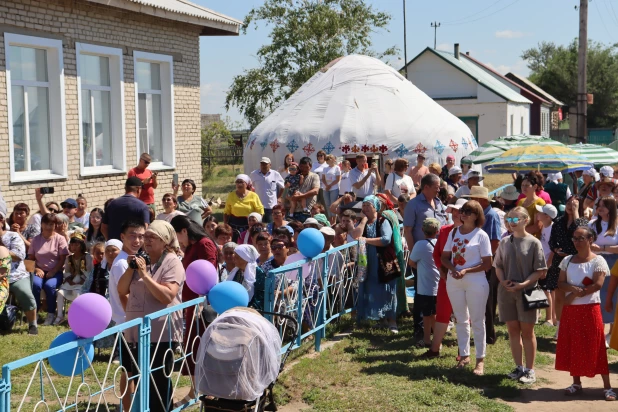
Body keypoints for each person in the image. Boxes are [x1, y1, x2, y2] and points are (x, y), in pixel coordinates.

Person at [118, 220, 185, 412]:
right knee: (141, 380)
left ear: (164, 241)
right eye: (145, 236)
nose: (145, 240)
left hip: (161, 333)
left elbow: (167, 295)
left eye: (151, 237)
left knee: (158, 382)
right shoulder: (142, 259)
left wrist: (145, 276)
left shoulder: (172, 262)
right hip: (137, 332)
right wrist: (132, 269)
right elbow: (122, 290)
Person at [556, 226, 615, 401]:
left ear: (590, 240)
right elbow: (561, 283)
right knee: (574, 344)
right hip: (571, 311)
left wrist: (574, 293)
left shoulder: (599, 261)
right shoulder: (566, 260)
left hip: (590, 309)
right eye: (574, 238)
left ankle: (607, 386)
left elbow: (598, 284)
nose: (576, 242)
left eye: (580, 238)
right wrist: (573, 290)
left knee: (596, 346)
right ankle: (576, 383)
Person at [494, 207, 547, 384]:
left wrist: (523, 284)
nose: (511, 223)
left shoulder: (534, 242)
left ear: (526, 220)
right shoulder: (504, 242)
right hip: (507, 291)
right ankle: (519, 367)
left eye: (515, 219)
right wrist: (503, 282)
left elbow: (539, 271)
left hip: (530, 291)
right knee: (512, 330)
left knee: (528, 331)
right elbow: (498, 266)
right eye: (509, 219)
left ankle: (530, 370)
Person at [441, 200, 492, 375]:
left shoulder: (481, 235)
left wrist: (466, 271)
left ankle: (480, 360)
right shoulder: (454, 232)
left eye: (468, 211)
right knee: (460, 320)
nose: (463, 214)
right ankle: (464, 356)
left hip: (476, 281)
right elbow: (444, 257)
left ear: (477, 215)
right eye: (463, 210)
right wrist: (454, 270)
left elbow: (487, 264)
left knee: (478, 321)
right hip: (454, 280)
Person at [170, 215, 218, 400]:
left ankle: (202, 389)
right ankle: (196, 388)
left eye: (176, 234)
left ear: (184, 231)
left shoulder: (204, 244)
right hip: (191, 304)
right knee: (191, 346)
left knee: (198, 345)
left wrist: (199, 299)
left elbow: (208, 271)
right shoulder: (191, 247)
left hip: (201, 305)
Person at [421, 198, 467, 358]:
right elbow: (437, 254)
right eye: (454, 211)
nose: (455, 214)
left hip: (466, 280)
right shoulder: (445, 231)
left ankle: (463, 353)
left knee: (463, 315)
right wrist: (442, 271)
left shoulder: (474, 232)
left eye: (459, 211)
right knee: (442, 312)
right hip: (446, 279)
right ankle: (435, 349)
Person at [352, 195, 404, 333]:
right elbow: (355, 235)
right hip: (368, 262)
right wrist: (363, 220)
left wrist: (367, 240)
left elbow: (386, 239)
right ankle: (381, 319)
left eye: (368, 205)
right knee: (373, 289)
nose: (365, 208)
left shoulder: (383, 220)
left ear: (376, 207)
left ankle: (392, 321)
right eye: (363, 206)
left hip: (384, 261)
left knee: (387, 290)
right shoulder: (362, 222)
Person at [548, 196, 589, 340]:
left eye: (574, 204)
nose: (570, 206)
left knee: (574, 297)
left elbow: (580, 232)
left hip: (576, 262)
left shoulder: (583, 221)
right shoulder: (559, 221)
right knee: (559, 297)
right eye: (569, 203)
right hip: (560, 262)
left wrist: (576, 212)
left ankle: (576, 328)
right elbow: (551, 241)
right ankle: (560, 327)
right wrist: (556, 250)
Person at [28, 213, 70, 326]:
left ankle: (51, 313)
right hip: (39, 270)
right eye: (46, 223)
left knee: (49, 286)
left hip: (56, 271)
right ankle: (34, 313)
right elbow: (30, 259)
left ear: (55, 225)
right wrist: (36, 269)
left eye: (51, 224)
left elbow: (63, 259)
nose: (48, 226)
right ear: (41, 224)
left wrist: (54, 271)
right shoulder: (36, 240)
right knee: (36, 285)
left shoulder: (60, 239)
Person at [0, 212, 37, 335]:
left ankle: (32, 324)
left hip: (15, 276)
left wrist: (3, 250)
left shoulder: (13, 236)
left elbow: (19, 255)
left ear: (1, 222)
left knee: (24, 293)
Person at [588, 196, 618, 344]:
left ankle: (612, 334)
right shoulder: (592, 224)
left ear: (610, 208)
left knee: (613, 297)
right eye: (598, 205)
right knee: (598, 296)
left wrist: (603, 248)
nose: (600, 208)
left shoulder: (617, 225)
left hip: (614, 264)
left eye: (603, 206)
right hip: (597, 263)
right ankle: (599, 332)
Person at [409, 218, 441, 348]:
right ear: (437, 231)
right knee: (434, 314)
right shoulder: (440, 243)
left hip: (426, 287)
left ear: (422, 230)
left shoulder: (420, 245)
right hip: (439, 284)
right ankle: (436, 340)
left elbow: (411, 262)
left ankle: (429, 340)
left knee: (428, 315)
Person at [55, 233, 93, 325]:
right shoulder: (69, 258)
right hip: (72, 280)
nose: (74, 247)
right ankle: (59, 316)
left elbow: (89, 271)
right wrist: (69, 280)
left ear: (81, 245)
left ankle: (75, 316)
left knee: (77, 294)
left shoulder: (87, 257)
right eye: (72, 245)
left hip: (83, 281)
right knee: (60, 293)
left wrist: (82, 280)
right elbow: (67, 271)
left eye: (77, 245)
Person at [536, 204, 559, 326]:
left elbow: (553, 250)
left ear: (548, 217)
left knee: (547, 290)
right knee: (545, 289)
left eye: (541, 213)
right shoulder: (545, 226)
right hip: (543, 262)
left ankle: (549, 318)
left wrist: (547, 265)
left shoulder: (552, 228)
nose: (538, 214)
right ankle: (550, 316)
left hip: (548, 264)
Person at [225, 244, 265, 310]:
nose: (234, 259)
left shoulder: (258, 273)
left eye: (237, 257)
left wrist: (252, 308)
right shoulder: (236, 271)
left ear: (246, 259)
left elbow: (261, 295)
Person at [250, 157, 284, 224]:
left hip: (270, 205)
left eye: (265, 164)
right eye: (262, 164)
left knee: (270, 224)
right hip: (258, 204)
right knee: (258, 224)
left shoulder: (275, 174)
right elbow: (249, 186)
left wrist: (279, 197)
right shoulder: (254, 174)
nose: (263, 166)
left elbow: (283, 187)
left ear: (270, 165)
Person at [289, 157, 321, 223]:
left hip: (308, 211)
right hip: (294, 211)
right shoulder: (294, 176)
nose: (304, 169)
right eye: (302, 167)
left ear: (310, 166)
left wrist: (300, 197)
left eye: (306, 167)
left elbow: (315, 191)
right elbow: (287, 191)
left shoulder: (314, 176)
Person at [321, 154, 342, 222]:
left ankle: (334, 220)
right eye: (327, 159)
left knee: (333, 204)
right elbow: (323, 178)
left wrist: (330, 185)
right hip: (326, 188)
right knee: (327, 204)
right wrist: (326, 185)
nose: (329, 160)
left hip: (334, 188)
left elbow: (338, 179)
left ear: (334, 160)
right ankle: (330, 220)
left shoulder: (337, 168)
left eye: (330, 158)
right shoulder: (325, 168)